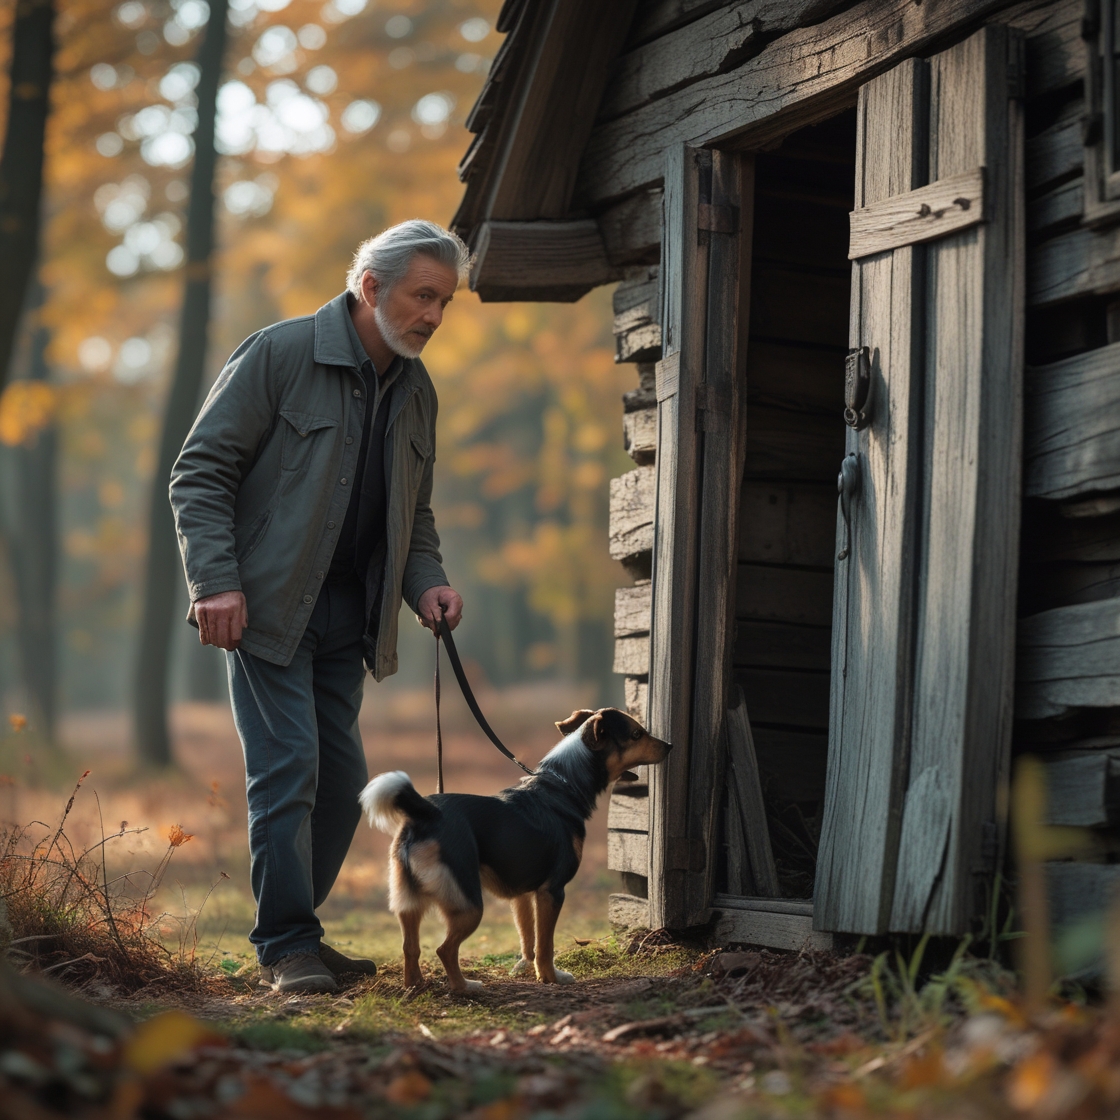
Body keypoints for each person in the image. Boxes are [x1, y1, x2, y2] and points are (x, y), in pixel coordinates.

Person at [170, 220, 467, 994]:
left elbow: (417, 516)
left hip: (352, 620)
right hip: (269, 609)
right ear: (371, 287)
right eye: (422, 296)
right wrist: (215, 581)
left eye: (445, 302)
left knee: (343, 792)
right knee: (288, 768)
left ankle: (300, 930)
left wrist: (426, 581)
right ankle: (287, 947)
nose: (434, 316)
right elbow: (199, 473)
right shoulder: (279, 354)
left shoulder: (419, 392)